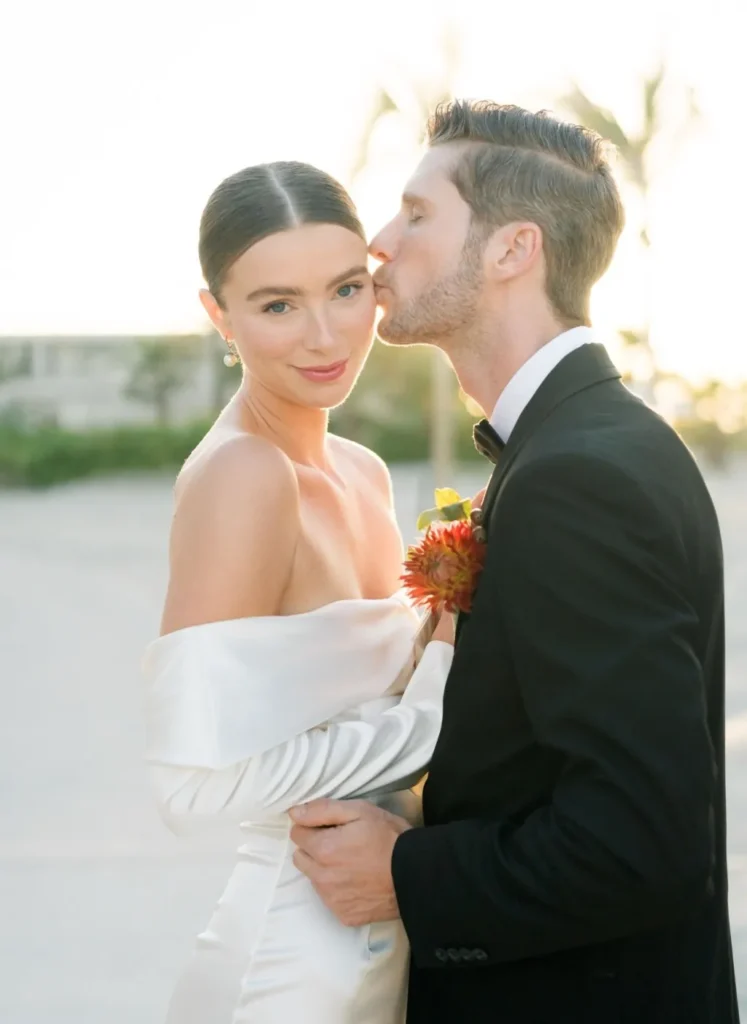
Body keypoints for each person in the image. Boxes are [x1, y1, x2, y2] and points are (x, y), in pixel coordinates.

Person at [289, 101, 740, 1024]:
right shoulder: (574, 447)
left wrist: (402, 873)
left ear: (510, 250)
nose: (379, 241)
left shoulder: (578, 477)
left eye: (416, 214)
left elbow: (641, 845)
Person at [142, 161, 454, 1024]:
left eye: (346, 289)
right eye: (278, 305)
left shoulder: (362, 470)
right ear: (220, 316)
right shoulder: (244, 476)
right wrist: (432, 697)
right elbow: (191, 785)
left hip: (378, 937)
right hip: (289, 962)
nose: (324, 336)